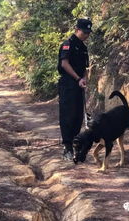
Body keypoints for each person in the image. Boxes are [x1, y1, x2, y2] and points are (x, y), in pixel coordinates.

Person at [57, 18, 92, 160]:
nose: (86, 35)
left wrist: (84, 78)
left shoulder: (83, 48)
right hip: (68, 84)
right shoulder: (68, 44)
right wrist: (78, 78)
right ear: (77, 29)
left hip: (78, 84)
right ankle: (67, 147)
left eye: (88, 33)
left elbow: (85, 67)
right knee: (68, 115)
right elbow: (64, 64)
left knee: (78, 116)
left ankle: (75, 145)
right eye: (84, 32)